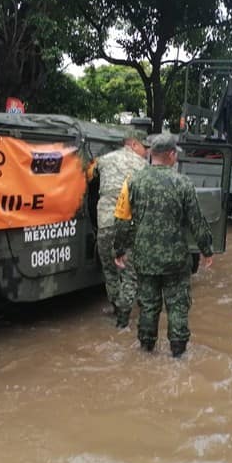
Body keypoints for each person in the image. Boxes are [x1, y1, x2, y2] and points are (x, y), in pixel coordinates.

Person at [113, 134, 213, 358]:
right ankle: (178, 356)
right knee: (178, 306)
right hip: (175, 260)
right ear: (170, 155)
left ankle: (146, 351)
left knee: (148, 306)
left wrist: (119, 250)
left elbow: (121, 220)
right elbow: (197, 221)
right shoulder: (183, 183)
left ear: (151, 154)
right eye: (175, 153)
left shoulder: (132, 181)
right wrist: (207, 250)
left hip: (145, 258)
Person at [90, 131, 149, 328]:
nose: (146, 151)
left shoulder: (103, 160)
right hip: (130, 225)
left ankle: (116, 308)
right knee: (132, 272)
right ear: (133, 144)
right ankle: (130, 312)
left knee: (109, 269)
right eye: (144, 147)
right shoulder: (143, 166)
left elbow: (89, 175)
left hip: (105, 224)